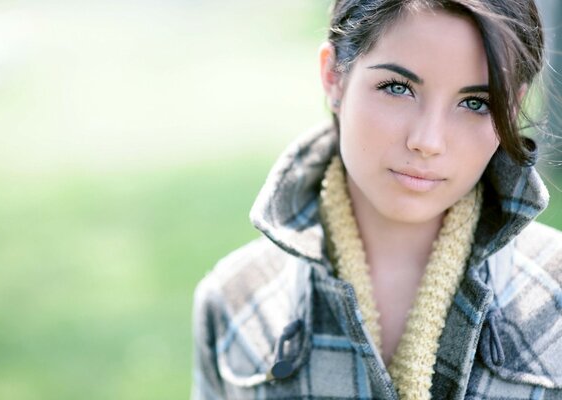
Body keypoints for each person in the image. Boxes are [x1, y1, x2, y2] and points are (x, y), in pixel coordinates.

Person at [191, 1, 562, 399]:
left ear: (514, 105)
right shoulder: (234, 300)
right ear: (334, 77)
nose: (427, 141)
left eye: (476, 102)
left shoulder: (554, 292)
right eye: (398, 88)